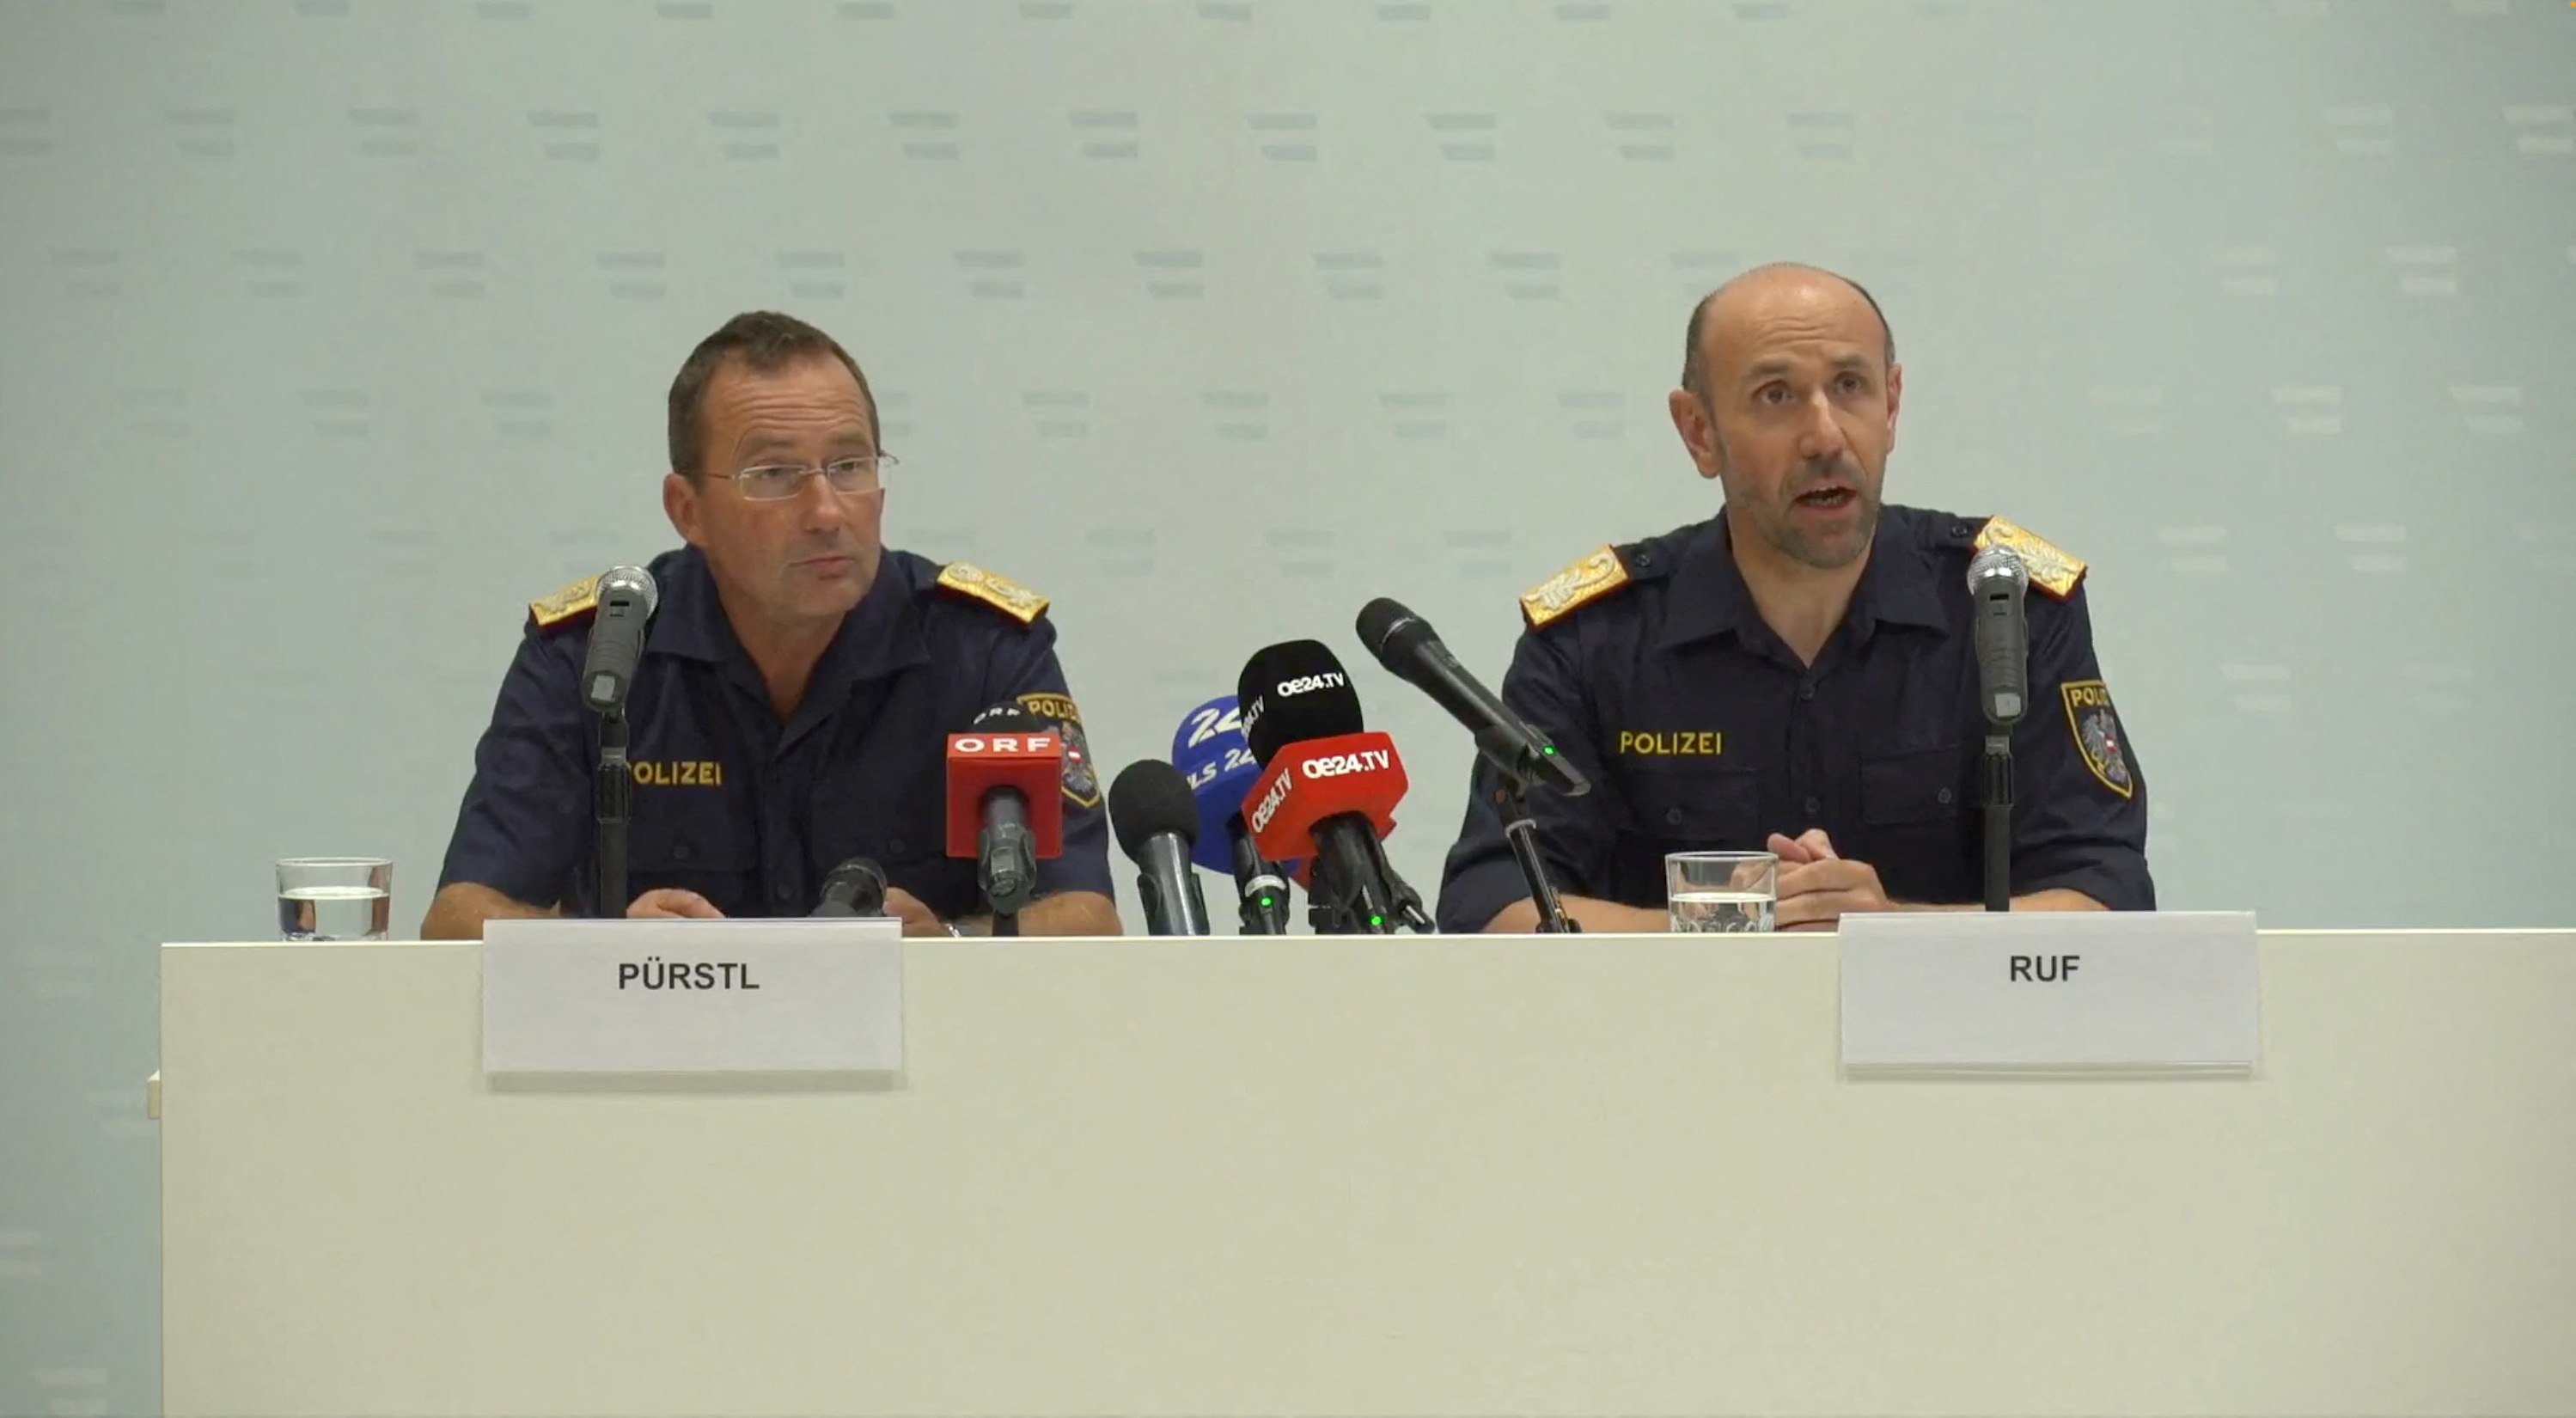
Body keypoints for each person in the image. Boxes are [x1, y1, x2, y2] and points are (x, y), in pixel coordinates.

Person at [1435, 264, 2152, 933]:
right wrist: (1735, 924)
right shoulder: (1595, 639)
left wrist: (1888, 932)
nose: (1825, 435)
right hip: (1676, 1052)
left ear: (1893, 405)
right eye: (1775, 396)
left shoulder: (2004, 607)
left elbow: (2106, 892)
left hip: (1935, 1055)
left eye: (1850, 386)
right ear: (1699, 431)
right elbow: (1491, 904)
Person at [423, 311, 1120, 938]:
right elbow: (458, 919)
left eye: (849, 465)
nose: (826, 511)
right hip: (662, 1057)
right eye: (774, 474)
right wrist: (605, 950)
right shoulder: (599, 657)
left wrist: (948, 948)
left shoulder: (985, 649)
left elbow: (1085, 916)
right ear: (688, 510)